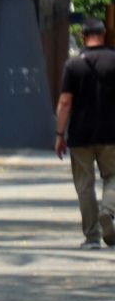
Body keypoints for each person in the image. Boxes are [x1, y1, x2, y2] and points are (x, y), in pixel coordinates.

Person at [54, 18, 115, 249]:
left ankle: (92, 237)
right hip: (112, 133)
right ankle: (108, 210)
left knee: (84, 185)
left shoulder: (73, 64)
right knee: (113, 176)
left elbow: (65, 102)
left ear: (82, 36)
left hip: (80, 134)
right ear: (103, 34)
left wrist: (59, 134)